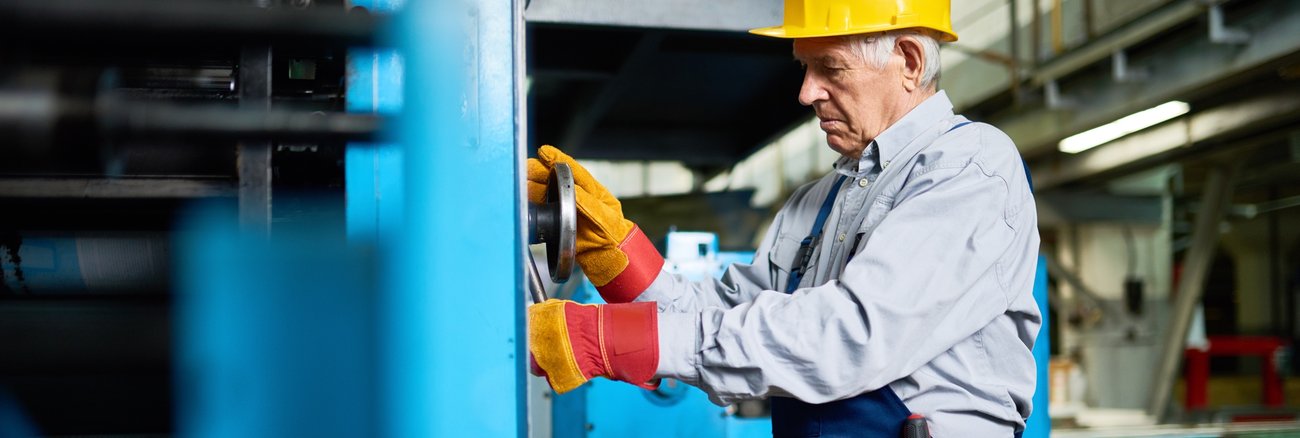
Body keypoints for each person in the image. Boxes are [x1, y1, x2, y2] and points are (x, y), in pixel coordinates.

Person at [527, 0, 1041, 435]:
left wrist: (607, 338)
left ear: (907, 61)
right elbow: (721, 316)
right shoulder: (815, 201)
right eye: (804, 67)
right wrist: (614, 252)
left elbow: (847, 337)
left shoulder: (971, 168)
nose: (806, 92)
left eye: (831, 67)